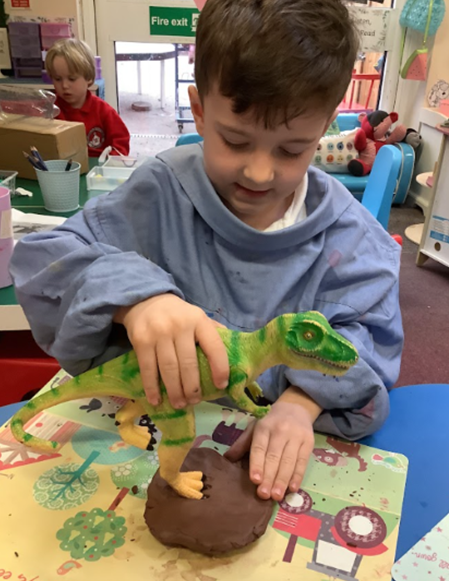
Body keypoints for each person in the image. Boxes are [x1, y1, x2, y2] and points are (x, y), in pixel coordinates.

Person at [10, 0, 403, 503]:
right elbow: (44, 261)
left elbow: (366, 346)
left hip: (280, 470)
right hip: (138, 440)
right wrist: (136, 299)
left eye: (291, 150)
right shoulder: (158, 192)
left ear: (327, 125)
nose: (259, 172)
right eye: (234, 140)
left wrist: (302, 402)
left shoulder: (356, 243)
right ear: (198, 109)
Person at [45, 38, 130, 157]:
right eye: (58, 79)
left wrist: (110, 161)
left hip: (98, 166)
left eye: (72, 79)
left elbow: (121, 145)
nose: (64, 85)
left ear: (88, 78)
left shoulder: (104, 111)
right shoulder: (49, 111)